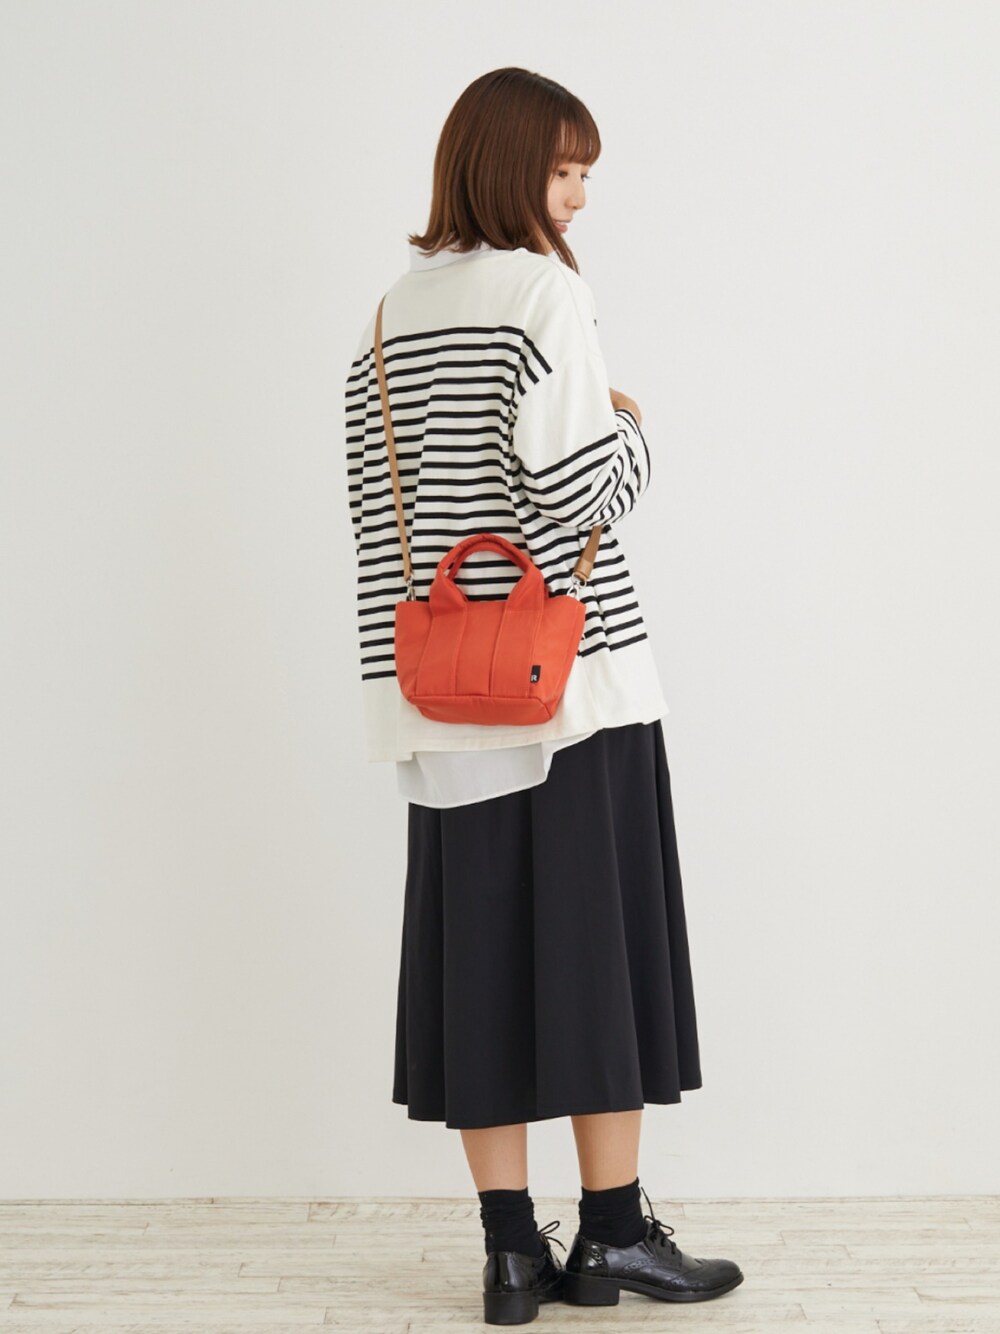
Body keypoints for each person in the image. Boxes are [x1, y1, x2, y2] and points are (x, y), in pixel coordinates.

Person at [345, 66, 743, 1326]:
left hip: (442, 698)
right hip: (568, 691)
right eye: (565, 171)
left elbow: (379, 523)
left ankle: (511, 1254)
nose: (577, 197)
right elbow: (576, 494)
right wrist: (631, 426)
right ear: (511, 165)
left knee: (484, 972)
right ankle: (613, 1234)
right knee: (598, 962)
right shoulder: (542, 292)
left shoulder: (390, 315)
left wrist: (401, 689)